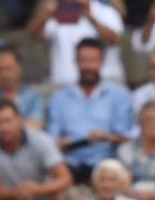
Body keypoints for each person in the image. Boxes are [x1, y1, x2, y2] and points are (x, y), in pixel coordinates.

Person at [47, 39, 134, 185]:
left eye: (93, 61)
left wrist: (106, 136)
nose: (88, 66)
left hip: (105, 162)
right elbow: (51, 140)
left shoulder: (119, 95)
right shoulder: (59, 98)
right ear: (75, 62)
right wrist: (59, 143)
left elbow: (126, 137)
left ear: (102, 62)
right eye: (83, 61)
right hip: (69, 161)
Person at [35, 0, 127, 87]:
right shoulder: (56, 14)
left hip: (104, 86)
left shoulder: (107, 13)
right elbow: (32, 36)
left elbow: (113, 40)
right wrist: (44, 15)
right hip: (62, 87)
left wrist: (90, 17)